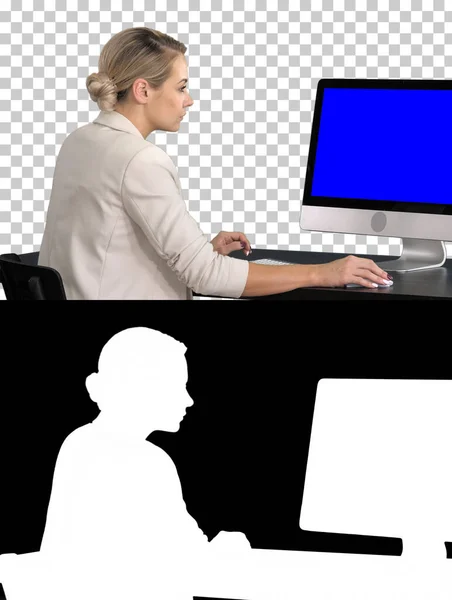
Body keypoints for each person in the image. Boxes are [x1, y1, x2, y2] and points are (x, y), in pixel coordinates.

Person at [37, 26, 392, 300]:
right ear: (143, 91)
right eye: (181, 88)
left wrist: (201, 250)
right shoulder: (140, 160)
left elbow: (105, 245)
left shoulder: (80, 141)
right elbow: (205, 276)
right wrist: (323, 273)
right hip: (133, 346)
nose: (188, 100)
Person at [0, 327, 252, 600]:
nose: (189, 400)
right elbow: (190, 560)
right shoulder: (145, 461)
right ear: (144, 389)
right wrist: (230, 547)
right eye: (179, 386)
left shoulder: (80, 441)